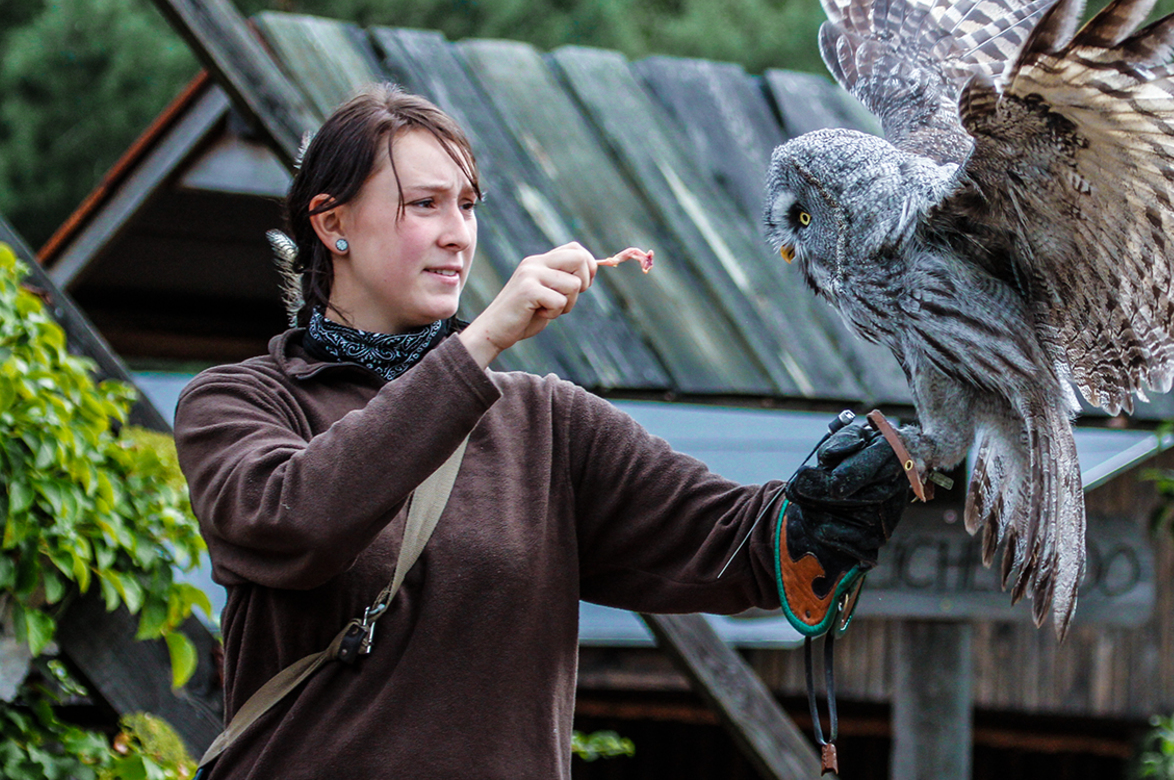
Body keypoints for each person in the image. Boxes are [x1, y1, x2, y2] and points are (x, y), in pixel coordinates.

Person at [174, 83, 907, 779]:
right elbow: (296, 521)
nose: (457, 234)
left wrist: (814, 517)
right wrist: (478, 346)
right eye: (424, 205)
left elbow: (730, 542)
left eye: (467, 205)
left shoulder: (548, 424)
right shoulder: (239, 404)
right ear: (331, 224)